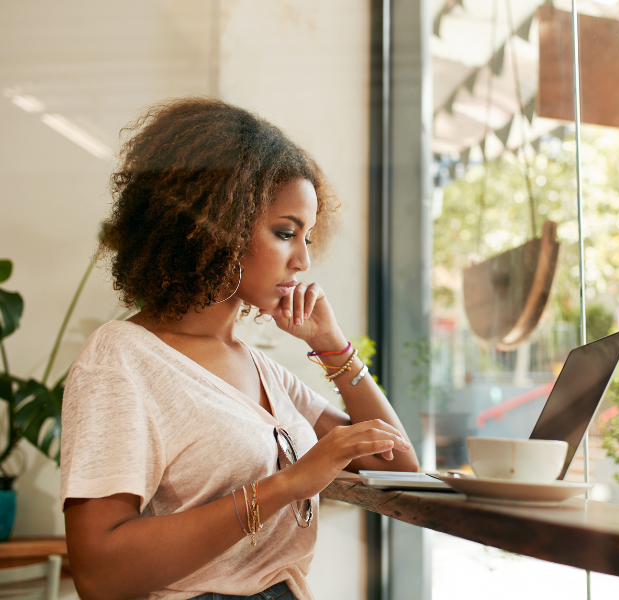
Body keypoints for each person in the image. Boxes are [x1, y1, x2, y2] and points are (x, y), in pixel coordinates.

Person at [60, 97, 418, 600]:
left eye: (308, 238)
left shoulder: (263, 370)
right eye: (285, 232)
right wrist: (287, 485)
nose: (302, 260)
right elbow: (100, 575)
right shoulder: (122, 359)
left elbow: (400, 467)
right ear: (216, 225)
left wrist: (334, 349)